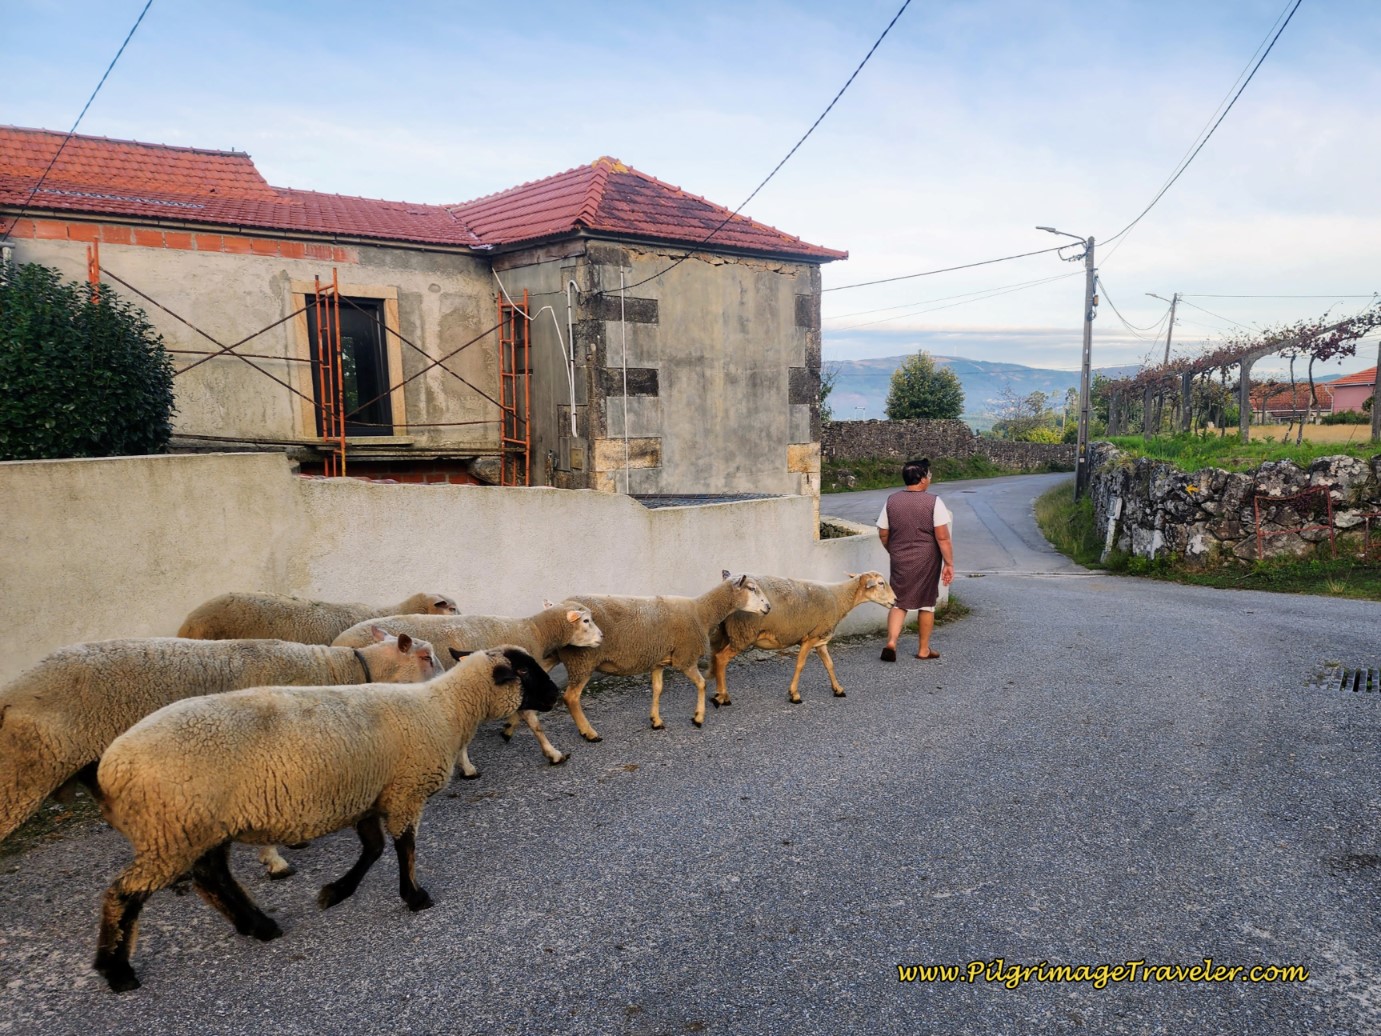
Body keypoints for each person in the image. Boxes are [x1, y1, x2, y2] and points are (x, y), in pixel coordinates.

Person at [876, 458, 954, 661]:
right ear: (921, 479)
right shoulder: (934, 502)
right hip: (926, 558)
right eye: (928, 475)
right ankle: (923, 649)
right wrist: (949, 563)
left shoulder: (891, 500)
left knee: (898, 602)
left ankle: (891, 642)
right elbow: (943, 537)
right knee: (926, 603)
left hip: (899, 557)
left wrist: (892, 549)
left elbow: (883, 532)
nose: (929, 478)